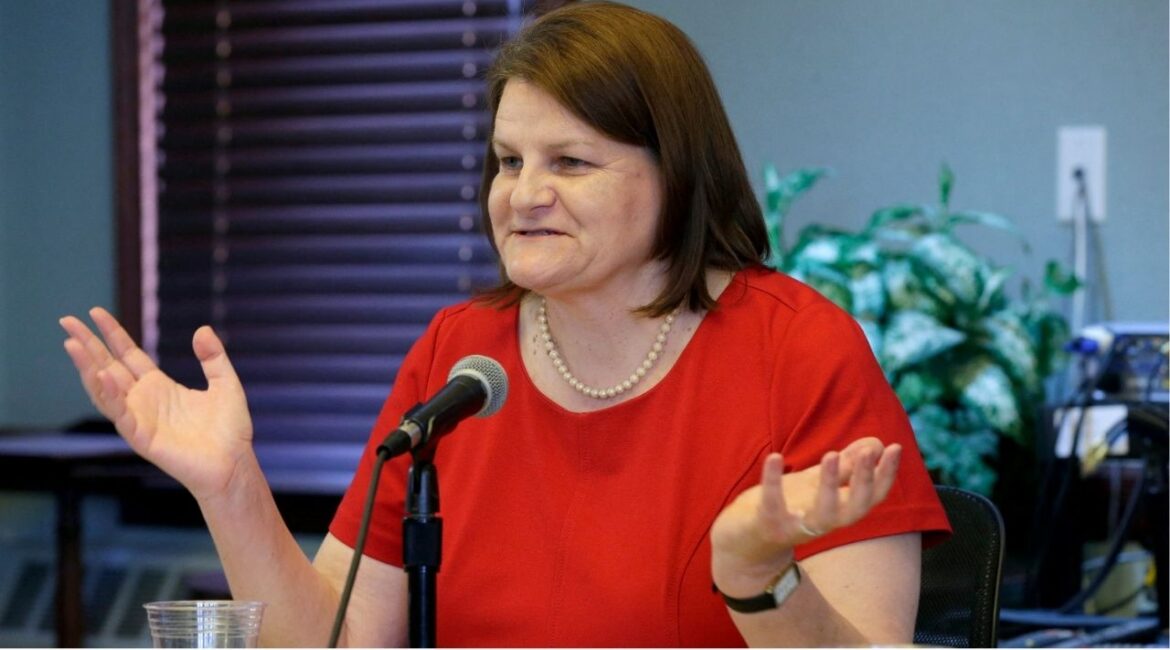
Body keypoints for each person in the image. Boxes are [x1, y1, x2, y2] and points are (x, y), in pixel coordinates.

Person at [60, 1, 950, 646]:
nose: (523, 196)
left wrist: (757, 574)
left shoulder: (797, 349)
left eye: (571, 162)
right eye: (508, 160)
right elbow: (337, 640)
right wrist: (229, 486)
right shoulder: (460, 355)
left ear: (677, 173)